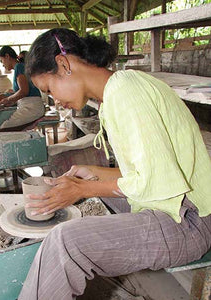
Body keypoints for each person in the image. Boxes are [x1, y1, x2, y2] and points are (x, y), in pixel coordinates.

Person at [18, 28, 211, 299]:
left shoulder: (126, 92)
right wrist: (91, 175)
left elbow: (157, 182)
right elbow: (154, 170)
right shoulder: (118, 91)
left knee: (66, 243)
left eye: (49, 89)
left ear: (63, 64)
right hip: (175, 205)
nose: (55, 101)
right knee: (89, 189)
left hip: (187, 222)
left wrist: (82, 189)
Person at [0, 46, 44, 130]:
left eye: (1, 61)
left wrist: (8, 99)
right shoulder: (20, 67)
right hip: (31, 105)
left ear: (7, 56)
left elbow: (24, 91)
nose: (2, 65)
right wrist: (5, 96)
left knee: (4, 128)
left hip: (32, 107)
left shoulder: (19, 67)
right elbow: (22, 93)